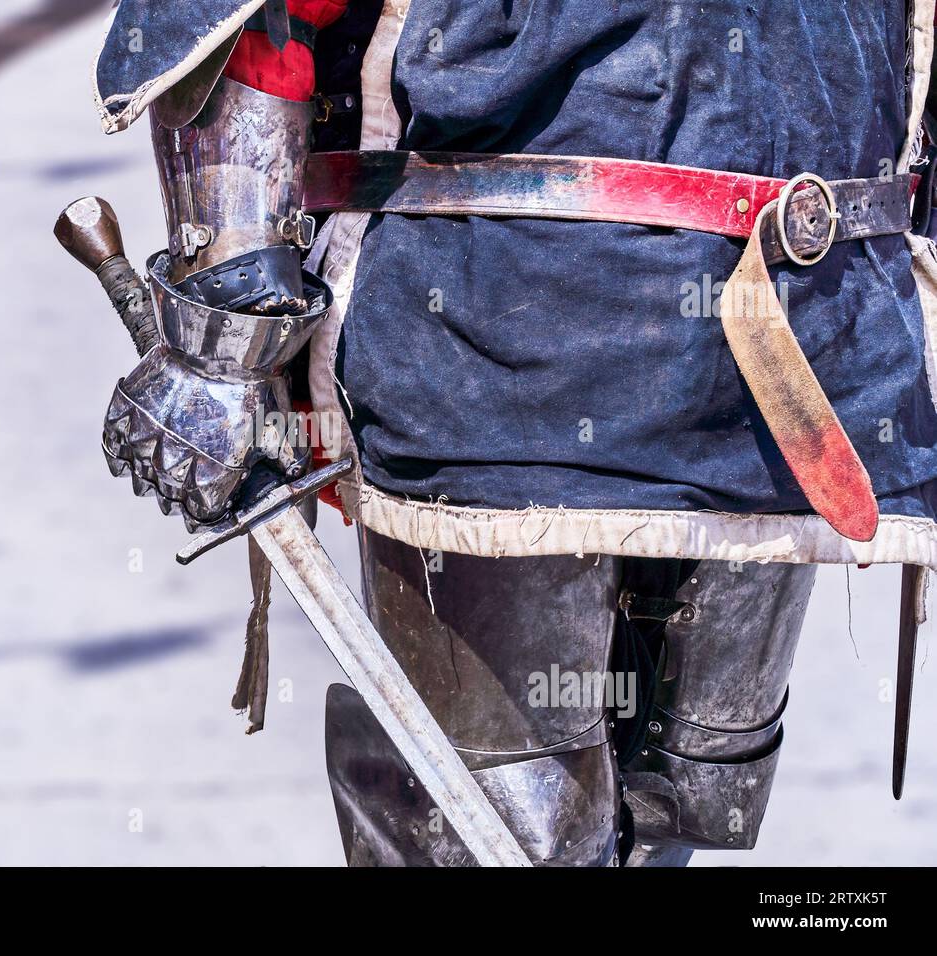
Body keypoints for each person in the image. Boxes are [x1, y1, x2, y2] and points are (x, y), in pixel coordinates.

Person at [86, 0, 937, 865]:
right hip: (545, 345)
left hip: (771, 355)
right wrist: (220, 340)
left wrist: (217, 345)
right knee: (537, 821)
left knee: (656, 805)